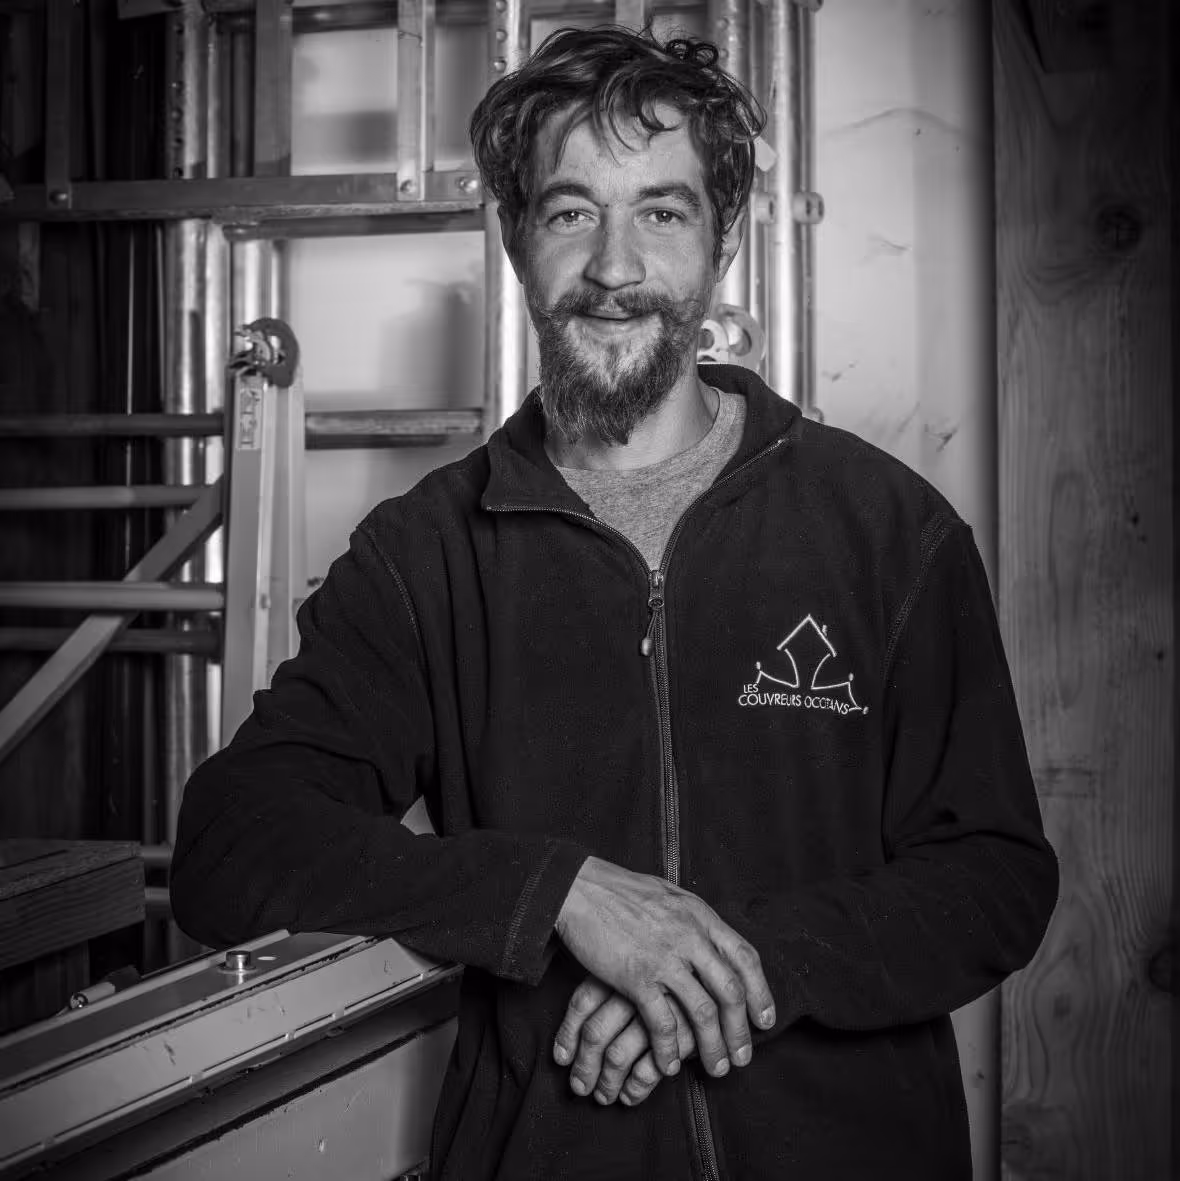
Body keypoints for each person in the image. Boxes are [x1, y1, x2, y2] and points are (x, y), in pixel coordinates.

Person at [171, 24, 1058, 1181]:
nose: (614, 265)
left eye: (662, 211)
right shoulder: (423, 557)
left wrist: (732, 967)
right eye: (570, 210)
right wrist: (556, 893)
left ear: (723, 239)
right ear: (514, 236)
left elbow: (992, 875)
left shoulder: (887, 530)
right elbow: (230, 843)